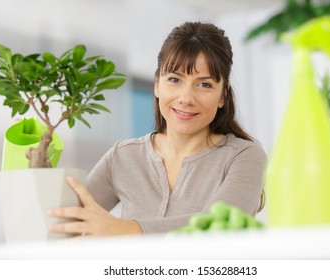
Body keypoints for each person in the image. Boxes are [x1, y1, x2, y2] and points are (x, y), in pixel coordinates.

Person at [48, 21, 267, 237]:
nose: (186, 98)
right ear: (156, 85)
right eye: (174, 79)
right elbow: (63, 223)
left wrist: (125, 229)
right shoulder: (123, 156)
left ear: (223, 95)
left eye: (204, 84)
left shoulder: (245, 156)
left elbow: (220, 224)